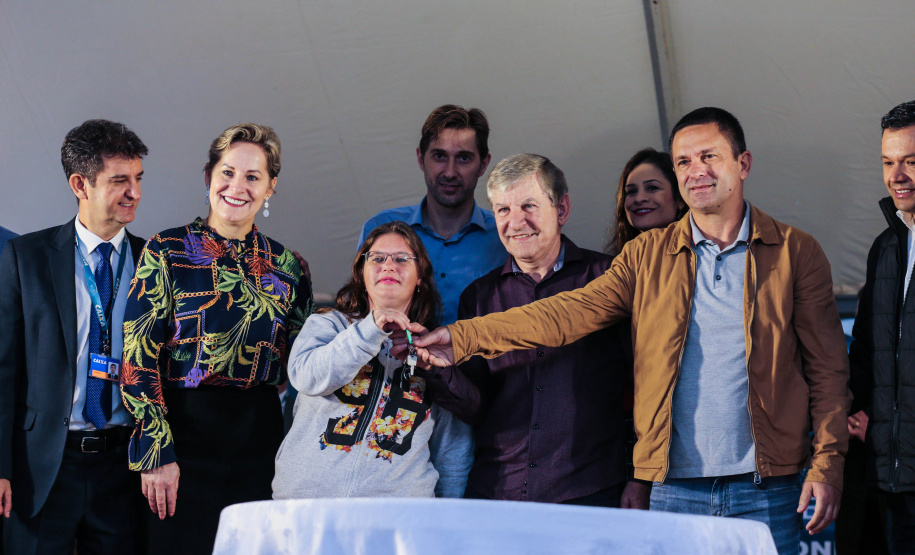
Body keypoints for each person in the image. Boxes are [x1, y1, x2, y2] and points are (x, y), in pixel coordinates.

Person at [407, 107, 850, 555]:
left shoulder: (796, 252)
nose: (696, 171)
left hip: (769, 488)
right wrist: (459, 337)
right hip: (673, 489)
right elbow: (564, 313)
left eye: (709, 156)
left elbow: (828, 373)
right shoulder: (646, 255)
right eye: (682, 162)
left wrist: (827, 465)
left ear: (744, 164)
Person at [121, 123, 313, 554]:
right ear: (208, 175)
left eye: (252, 177)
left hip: (259, 441)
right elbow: (137, 358)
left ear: (271, 187)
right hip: (182, 436)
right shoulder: (165, 250)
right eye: (227, 172)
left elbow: (305, 365)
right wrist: (156, 452)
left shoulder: (287, 266)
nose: (237, 186)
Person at [422, 153, 646, 507]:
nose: (516, 222)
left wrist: (639, 477)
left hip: (590, 491)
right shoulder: (479, 298)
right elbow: (477, 406)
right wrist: (438, 370)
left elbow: (645, 385)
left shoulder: (610, 279)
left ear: (562, 209)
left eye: (529, 205)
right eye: (503, 210)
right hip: (497, 492)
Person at [0, 119, 148, 554]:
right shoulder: (25, 258)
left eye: (138, 179)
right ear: (80, 184)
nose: (134, 193)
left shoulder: (155, 261)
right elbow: (3, 369)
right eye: (120, 181)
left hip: (125, 466)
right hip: (44, 466)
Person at [358, 104, 506, 497]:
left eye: (464, 158)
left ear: (484, 163)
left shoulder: (504, 236)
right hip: (386, 397)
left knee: (449, 525)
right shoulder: (383, 230)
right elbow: (358, 308)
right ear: (421, 158)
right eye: (440, 156)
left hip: (466, 408)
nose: (451, 171)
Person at [273, 221, 442, 498]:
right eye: (377, 258)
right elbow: (305, 377)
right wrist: (371, 329)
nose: (388, 266)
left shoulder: (432, 347)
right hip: (309, 509)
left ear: (420, 276)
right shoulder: (327, 324)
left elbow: (449, 446)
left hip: (397, 517)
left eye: (401, 259)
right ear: (361, 273)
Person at [847, 99, 915, 554]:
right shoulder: (886, 247)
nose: (897, 176)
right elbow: (868, 351)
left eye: (912, 161)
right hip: (886, 481)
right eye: (888, 162)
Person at [606, 147, 686, 255]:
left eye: (652, 188)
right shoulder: (617, 264)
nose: (639, 198)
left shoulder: (703, 256)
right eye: (631, 191)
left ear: (680, 198)